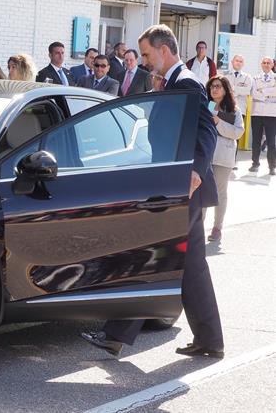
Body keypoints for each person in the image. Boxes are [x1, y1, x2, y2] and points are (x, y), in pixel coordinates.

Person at [81, 24, 224, 359]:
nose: (144, 61)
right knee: (192, 267)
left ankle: (115, 335)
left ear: (164, 49)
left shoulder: (186, 82)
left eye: (146, 54)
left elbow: (206, 131)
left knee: (150, 256)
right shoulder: (173, 82)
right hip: (177, 186)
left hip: (182, 188)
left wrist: (195, 174)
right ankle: (210, 339)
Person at [204, 76, 244, 242]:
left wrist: (218, 122)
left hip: (223, 156)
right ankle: (197, 227)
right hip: (206, 155)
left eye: (218, 86)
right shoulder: (208, 105)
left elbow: (237, 133)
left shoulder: (234, 109)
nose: (214, 89)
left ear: (225, 89)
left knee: (220, 193)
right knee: (203, 193)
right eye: (212, 86)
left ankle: (217, 227)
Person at [249, 57, 276, 175]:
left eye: (268, 63)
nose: (266, 65)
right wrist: (269, 93)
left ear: (273, 64)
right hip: (257, 112)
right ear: (261, 64)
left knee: (271, 141)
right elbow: (254, 93)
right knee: (256, 140)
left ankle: (272, 166)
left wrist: (263, 91)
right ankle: (255, 164)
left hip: (272, 113)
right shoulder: (255, 78)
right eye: (264, 63)